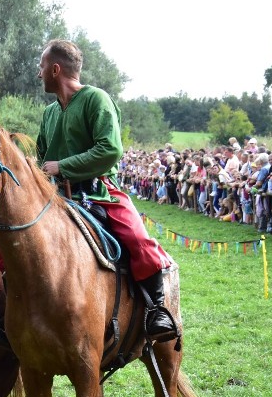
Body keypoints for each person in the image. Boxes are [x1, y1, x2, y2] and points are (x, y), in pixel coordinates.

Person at [36, 39, 177, 342]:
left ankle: (156, 311)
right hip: (55, 197)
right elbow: (41, 157)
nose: (39, 73)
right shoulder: (49, 113)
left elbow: (110, 149)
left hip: (98, 191)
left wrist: (63, 167)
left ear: (56, 69)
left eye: (42, 66)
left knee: (137, 239)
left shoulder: (96, 99)